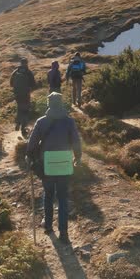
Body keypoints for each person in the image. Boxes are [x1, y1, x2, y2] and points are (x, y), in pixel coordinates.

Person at [26, 92, 82, 243]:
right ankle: (64, 232)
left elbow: (32, 144)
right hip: (64, 163)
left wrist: (30, 157)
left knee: (48, 194)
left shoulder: (41, 122)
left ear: (49, 104)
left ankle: (48, 227)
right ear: (61, 103)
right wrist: (78, 157)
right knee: (63, 197)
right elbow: (76, 141)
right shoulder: (69, 121)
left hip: (47, 164)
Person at [10, 58, 36, 137]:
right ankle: (23, 129)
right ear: (27, 63)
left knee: (19, 108)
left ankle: (18, 122)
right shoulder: (28, 72)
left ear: (20, 63)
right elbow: (33, 84)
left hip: (17, 94)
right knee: (25, 110)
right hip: (26, 95)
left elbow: (11, 83)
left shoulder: (15, 72)